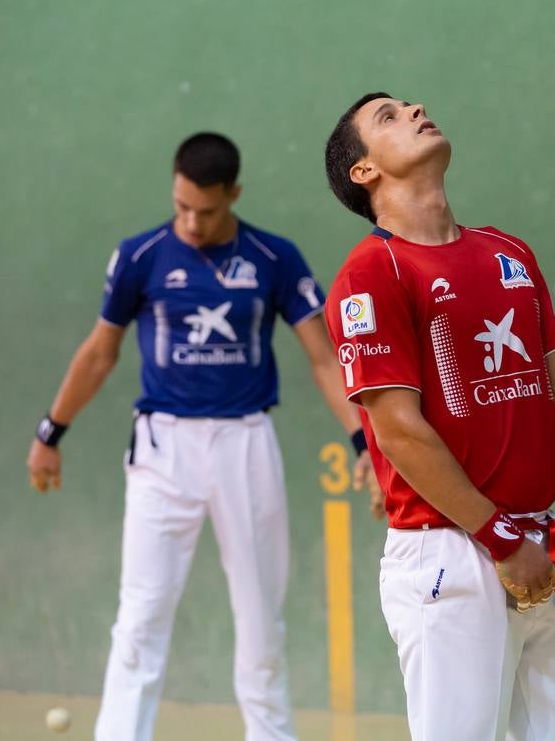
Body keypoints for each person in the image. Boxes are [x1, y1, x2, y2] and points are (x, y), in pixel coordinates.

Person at [26, 132, 380, 741]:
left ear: (234, 194)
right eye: (181, 206)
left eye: (207, 210)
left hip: (246, 447)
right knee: (139, 618)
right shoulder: (141, 257)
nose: (191, 222)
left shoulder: (275, 258)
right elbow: (99, 354)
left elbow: (324, 359)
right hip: (162, 452)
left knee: (261, 622)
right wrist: (50, 431)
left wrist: (363, 442)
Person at [323, 93, 555, 741]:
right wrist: (498, 539)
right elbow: (399, 430)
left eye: (410, 104)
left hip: (540, 543)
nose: (413, 110)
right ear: (364, 172)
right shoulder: (371, 273)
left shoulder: (508, 253)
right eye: (388, 116)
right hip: (453, 553)